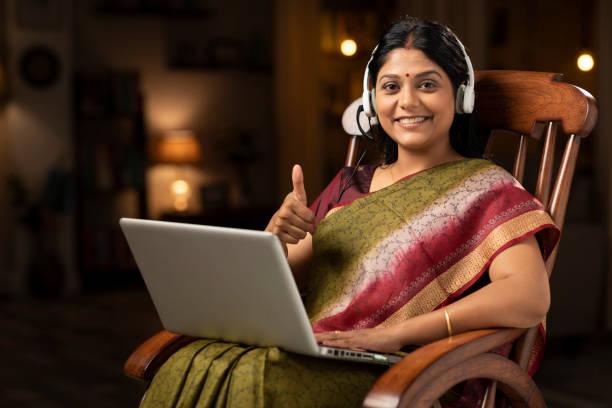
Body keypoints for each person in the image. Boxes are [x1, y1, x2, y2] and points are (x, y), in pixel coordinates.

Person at [141, 16, 559, 408]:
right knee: (188, 362)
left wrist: (390, 335)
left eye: (428, 84)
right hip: (317, 351)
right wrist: (275, 239)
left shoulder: (489, 189)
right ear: (372, 100)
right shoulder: (349, 185)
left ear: (460, 95)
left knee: (263, 380)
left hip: (409, 373)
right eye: (391, 86)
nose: (407, 102)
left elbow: (528, 296)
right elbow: (291, 283)